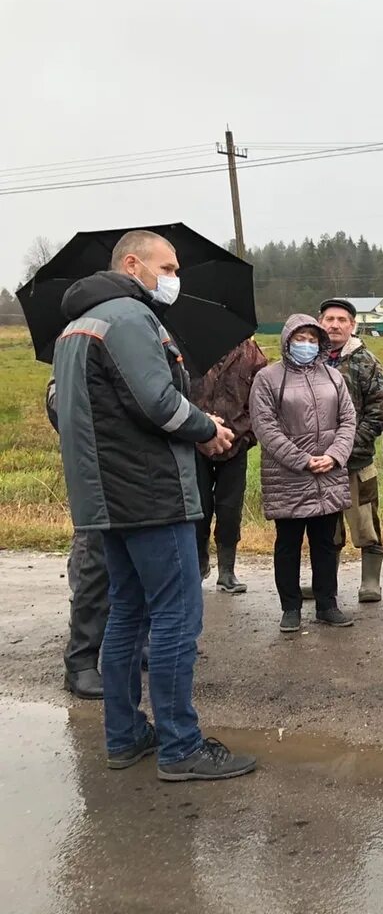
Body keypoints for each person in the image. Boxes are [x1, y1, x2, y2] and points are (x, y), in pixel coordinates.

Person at [51, 229, 256, 780]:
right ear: (134, 263)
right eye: (167, 268)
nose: (174, 278)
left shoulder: (75, 326)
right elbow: (157, 401)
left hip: (104, 496)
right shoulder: (128, 318)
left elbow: (65, 407)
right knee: (175, 618)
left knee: (127, 614)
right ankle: (180, 746)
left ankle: (124, 735)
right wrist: (205, 428)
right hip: (150, 492)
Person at [250, 314, 357, 632]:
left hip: (328, 476)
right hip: (288, 477)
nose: (307, 345)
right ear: (287, 340)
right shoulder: (268, 378)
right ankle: (290, 608)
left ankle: (328, 604)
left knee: (326, 543)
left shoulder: (333, 377)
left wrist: (334, 456)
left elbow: (348, 420)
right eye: (301, 338)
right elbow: (265, 427)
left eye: (313, 339)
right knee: (288, 543)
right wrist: (301, 460)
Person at [318, 298, 383, 602]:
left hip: (357, 460)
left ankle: (370, 582)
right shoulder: (310, 360)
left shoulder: (366, 361)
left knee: (365, 522)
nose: (335, 325)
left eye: (342, 320)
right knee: (324, 528)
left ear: (353, 325)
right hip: (319, 463)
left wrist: (348, 445)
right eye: (329, 319)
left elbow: (379, 411)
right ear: (319, 322)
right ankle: (325, 583)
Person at [45, 378, 112, 699]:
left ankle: (134, 642)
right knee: (94, 563)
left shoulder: (143, 335)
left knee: (137, 563)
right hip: (95, 470)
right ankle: (81, 660)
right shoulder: (79, 338)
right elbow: (59, 404)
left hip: (136, 469)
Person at [190, 337, 268, 593]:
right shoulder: (189, 348)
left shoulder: (252, 354)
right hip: (195, 442)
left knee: (230, 509)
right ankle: (198, 565)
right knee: (198, 507)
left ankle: (227, 571)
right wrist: (195, 431)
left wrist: (246, 437)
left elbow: (261, 400)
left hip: (236, 444)